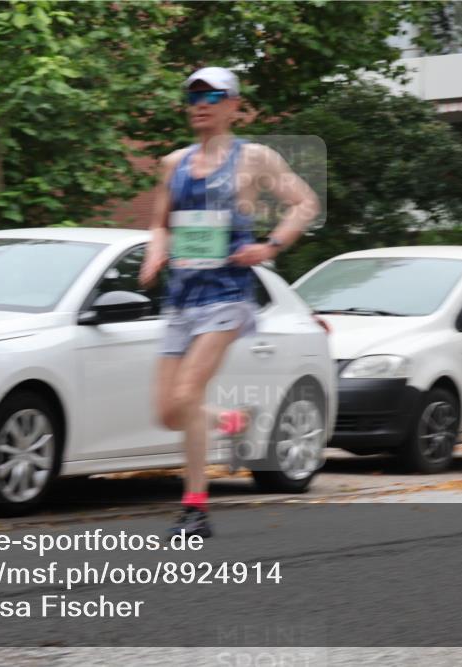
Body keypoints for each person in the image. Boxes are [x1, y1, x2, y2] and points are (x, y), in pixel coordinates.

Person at [139, 66, 319, 538]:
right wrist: (157, 249)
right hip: (181, 296)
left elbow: (304, 203)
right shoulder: (173, 163)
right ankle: (233, 420)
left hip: (228, 296)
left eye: (213, 95)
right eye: (193, 95)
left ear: (234, 105)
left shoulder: (254, 158)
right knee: (167, 412)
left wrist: (270, 246)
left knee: (186, 396)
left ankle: (195, 509)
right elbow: (160, 222)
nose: (201, 103)